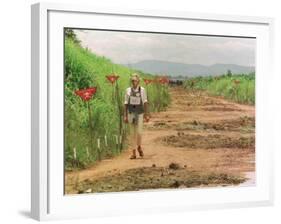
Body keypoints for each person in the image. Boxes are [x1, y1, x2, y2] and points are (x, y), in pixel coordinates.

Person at [124, 73, 150, 159]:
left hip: (139, 113)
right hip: (131, 113)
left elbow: (145, 102)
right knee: (132, 134)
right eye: (132, 80)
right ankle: (133, 152)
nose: (133, 82)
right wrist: (125, 116)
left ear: (138, 81)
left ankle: (139, 146)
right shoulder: (128, 90)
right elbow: (126, 104)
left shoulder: (142, 90)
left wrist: (147, 114)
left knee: (139, 132)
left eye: (135, 80)